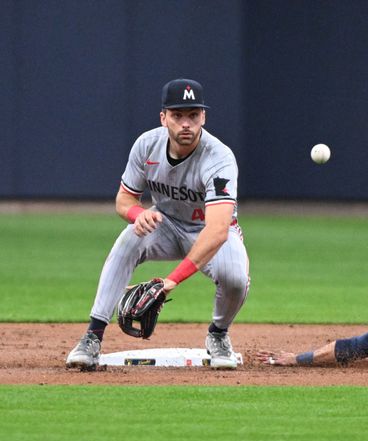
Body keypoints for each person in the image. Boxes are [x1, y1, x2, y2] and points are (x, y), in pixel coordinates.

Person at [66, 78, 250, 370]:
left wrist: (171, 281)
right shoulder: (146, 145)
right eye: (178, 115)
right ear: (164, 118)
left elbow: (217, 231)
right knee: (128, 240)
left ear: (204, 116)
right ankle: (92, 335)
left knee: (235, 277)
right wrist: (138, 215)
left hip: (208, 230)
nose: (186, 123)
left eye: (193, 115)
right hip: (164, 224)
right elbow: (123, 200)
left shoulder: (219, 158)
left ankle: (218, 334)